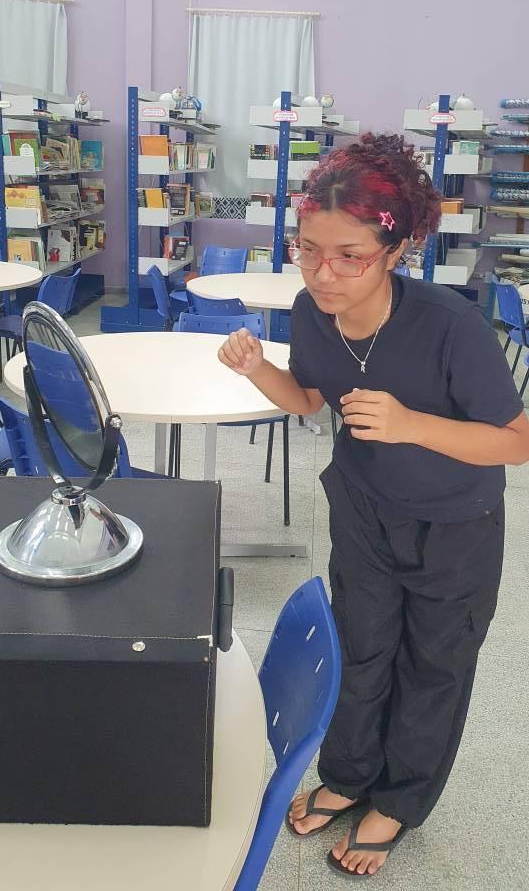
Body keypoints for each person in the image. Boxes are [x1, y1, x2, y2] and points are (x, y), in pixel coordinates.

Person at [217, 133, 529, 880]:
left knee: (433, 665)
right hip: (362, 510)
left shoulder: (451, 326)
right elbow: (307, 399)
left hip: (454, 525)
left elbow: (517, 442)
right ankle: (350, 774)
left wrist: (411, 424)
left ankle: (399, 799)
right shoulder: (310, 309)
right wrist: (258, 369)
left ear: (395, 250)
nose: (323, 274)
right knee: (361, 647)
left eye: (349, 256)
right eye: (307, 250)